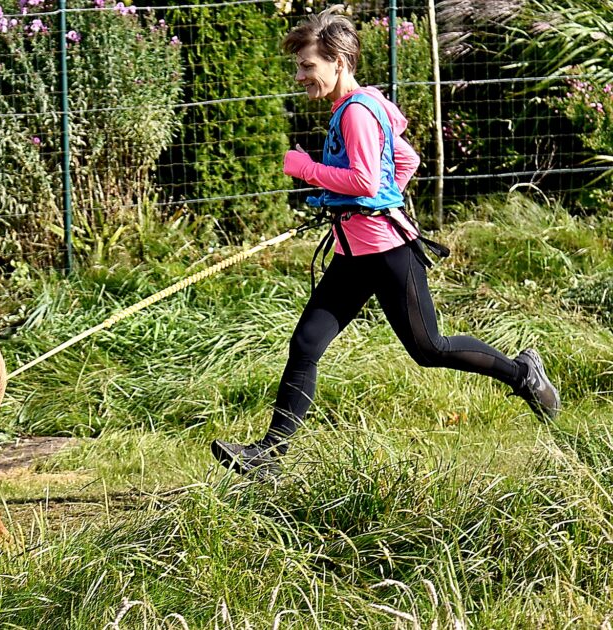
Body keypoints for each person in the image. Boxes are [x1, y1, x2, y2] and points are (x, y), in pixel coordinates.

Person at [210, 8, 560, 479]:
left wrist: (308, 170)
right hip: (354, 250)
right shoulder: (359, 107)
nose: (300, 76)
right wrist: (361, 202)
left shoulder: (355, 112)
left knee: (430, 348)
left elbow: (363, 176)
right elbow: (406, 160)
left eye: (307, 66)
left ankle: (524, 375)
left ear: (338, 61)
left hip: (387, 251)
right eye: (299, 67)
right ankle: (268, 456)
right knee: (306, 343)